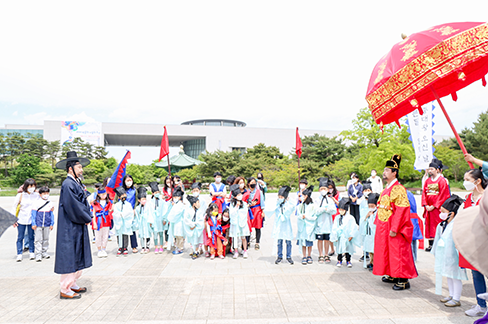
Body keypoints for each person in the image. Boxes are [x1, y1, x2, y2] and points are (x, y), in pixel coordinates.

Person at [373, 154, 417, 290]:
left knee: (399, 251)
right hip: (384, 224)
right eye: (384, 170)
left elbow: (402, 209)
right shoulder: (387, 188)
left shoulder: (398, 188)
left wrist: (395, 227)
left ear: (394, 173)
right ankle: (392, 273)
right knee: (387, 251)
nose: (384, 172)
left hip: (393, 225)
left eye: (387, 170)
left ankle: (403, 279)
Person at [54, 151, 92, 299]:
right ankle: (65, 288)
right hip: (70, 226)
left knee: (77, 253)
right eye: (79, 167)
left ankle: (72, 283)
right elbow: (74, 206)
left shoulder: (75, 182)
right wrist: (87, 216)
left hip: (77, 224)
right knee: (69, 254)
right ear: (71, 169)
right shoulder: (68, 183)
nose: (81, 170)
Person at [452, 181, 488, 322]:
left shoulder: (484, 197)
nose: (465, 181)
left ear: (478, 181)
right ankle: (481, 305)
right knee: (476, 272)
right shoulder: (468, 198)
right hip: (475, 242)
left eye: (468, 178)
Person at [431, 195, 467, 307]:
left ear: (451, 213)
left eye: (443, 211)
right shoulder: (443, 225)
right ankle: (451, 295)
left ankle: (456, 298)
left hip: (454, 256)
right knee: (448, 275)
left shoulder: (456, 225)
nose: (440, 214)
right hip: (446, 255)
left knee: (456, 277)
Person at [421, 158, 451, 252]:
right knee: (429, 225)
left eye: (432, 169)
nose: (430, 171)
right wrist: (426, 205)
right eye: (429, 169)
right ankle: (430, 244)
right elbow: (424, 193)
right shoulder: (427, 181)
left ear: (437, 170)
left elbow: (443, 194)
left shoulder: (442, 181)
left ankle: (438, 243)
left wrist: (434, 205)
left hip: (437, 207)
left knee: (437, 225)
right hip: (429, 207)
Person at [12, 178, 39, 261]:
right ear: (26, 186)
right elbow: (14, 207)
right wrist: (13, 220)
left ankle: (31, 252)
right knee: (20, 237)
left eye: (34, 186)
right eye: (31, 186)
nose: (32, 188)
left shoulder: (36, 195)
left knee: (31, 236)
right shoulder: (20, 195)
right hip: (21, 219)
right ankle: (19, 253)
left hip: (32, 220)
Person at [331, 198, 358, 268]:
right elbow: (334, 226)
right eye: (340, 209)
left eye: (342, 210)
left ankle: (348, 260)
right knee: (339, 249)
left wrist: (351, 235)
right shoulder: (337, 217)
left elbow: (353, 227)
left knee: (348, 249)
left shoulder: (350, 218)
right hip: (340, 236)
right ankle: (339, 260)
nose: (341, 211)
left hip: (347, 236)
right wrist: (335, 235)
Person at [314, 177, 337, 264]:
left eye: (324, 189)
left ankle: (326, 254)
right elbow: (315, 211)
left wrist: (328, 210)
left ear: (328, 190)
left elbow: (334, 210)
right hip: (320, 223)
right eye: (321, 189)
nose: (323, 190)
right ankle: (320, 254)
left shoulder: (330, 200)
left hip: (328, 223)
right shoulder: (317, 200)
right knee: (320, 240)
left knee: (327, 240)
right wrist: (323, 209)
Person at [30, 186, 55, 262]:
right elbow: (33, 214)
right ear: (40, 194)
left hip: (47, 224)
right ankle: (38, 254)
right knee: (38, 239)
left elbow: (51, 214)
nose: (46, 195)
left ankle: (44, 252)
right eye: (44, 193)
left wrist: (52, 223)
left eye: (47, 193)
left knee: (46, 239)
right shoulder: (36, 203)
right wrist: (33, 223)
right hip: (38, 224)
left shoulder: (50, 203)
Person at [272, 186, 295, 265]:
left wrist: (289, 200)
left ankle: (289, 256)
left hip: (286, 224)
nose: (280, 198)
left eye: (281, 197)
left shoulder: (289, 204)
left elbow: (292, 207)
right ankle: (279, 256)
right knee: (279, 241)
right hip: (279, 225)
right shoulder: (277, 204)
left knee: (288, 241)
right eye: (279, 196)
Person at [296, 185, 317, 265]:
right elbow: (298, 215)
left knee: (309, 242)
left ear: (306, 196)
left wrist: (307, 217)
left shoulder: (313, 206)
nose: (302, 197)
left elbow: (314, 217)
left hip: (309, 227)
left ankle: (309, 255)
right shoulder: (300, 206)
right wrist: (302, 217)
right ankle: (304, 256)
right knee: (303, 242)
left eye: (303, 196)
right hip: (302, 227)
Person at [228, 184, 250, 259]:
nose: (240, 196)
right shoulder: (232, 204)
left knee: (243, 237)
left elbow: (245, 211)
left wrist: (240, 211)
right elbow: (232, 213)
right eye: (238, 195)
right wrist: (236, 207)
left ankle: (245, 250)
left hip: (242, 222)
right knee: (235, 237)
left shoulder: (244, 203)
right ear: (234, 196)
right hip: (235, 223)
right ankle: (236, 251)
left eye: (240, 194)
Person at [91, 186, 113, 258]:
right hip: (98, 220)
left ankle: (104, 249)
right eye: (102, 194)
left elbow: (110, 210)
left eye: (105, 194)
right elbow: (93, 213)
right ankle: (99, 250)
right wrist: (93, 222)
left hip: (106, 220)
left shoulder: (108, 202)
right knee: (98, 236)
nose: (104, 195)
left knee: (105, 236)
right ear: (98, 194)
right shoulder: (95, 203)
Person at [112, 186, 134, 256]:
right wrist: (119, 215)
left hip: (125, 222)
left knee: (125, 235)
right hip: (119, 222)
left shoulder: (128, 204)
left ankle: (125, 247)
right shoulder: (117, 205)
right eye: (122, 195)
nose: (123, 197)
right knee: (119, 235)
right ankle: (120, 247)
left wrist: (124, 214)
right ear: (118, 197)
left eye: (124, 195)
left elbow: (130, 212)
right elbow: (115, 213)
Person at [184, 195, 204, 259]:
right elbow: (186, 220)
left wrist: (195, 225)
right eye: (198, 202)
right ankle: (194, 251)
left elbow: (201, 220)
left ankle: (196, 251)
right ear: (194, 204)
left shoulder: (199, 211)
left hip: (197, 228)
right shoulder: (188, 211)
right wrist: (192, 225)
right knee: (193, 241)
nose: (199, 204)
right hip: (192, 228)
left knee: (197, 240)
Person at [122, 175, 139, 253]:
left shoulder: (134, 190)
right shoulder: (121, 190)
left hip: (132, 212)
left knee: (132, 230)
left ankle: (134, 246)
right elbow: (116, 200)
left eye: (130, 180)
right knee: (123, 230)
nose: (129, 182)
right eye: (127, 180)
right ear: (124, 181)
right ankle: (124, 247)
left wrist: (135, 208)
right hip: (123, 212)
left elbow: (136, 200)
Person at [248, 177, 265, 250]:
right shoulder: (247, 192)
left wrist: (263, 212)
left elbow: (262, 202)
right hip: (249, 210)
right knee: (248, 227)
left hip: (257, 210)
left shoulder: (259, 192)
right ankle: (247, 241)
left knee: (258, 227)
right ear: (248, 184)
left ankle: (257, 242)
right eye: (251, 183)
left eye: (254, 183)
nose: (253, 184)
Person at [148, 182, 166, 254]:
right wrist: (150, 221)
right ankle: (156, 247)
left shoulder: (162, 201)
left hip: (160, 219)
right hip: (154, 220)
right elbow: (149, 212)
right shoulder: (150, 202)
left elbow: (165, 210)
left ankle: (161, 246)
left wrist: (164, 219)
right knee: (155, 234)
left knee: (161, 234)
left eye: (158, 192)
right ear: (152, 193)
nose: (157, 193)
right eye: (155, 192)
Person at [167, 186, 186, 255]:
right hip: (175, 223)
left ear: (179, 197)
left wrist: (171, 218)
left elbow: (176, 214)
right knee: (176, 236)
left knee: (180, 236)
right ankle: (177, 247)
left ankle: (180, 248)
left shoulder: (180, 205)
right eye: (174, 197)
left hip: (179, 222)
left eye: (176, 197)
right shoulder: (176, 204)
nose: (174, 198)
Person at [134, 187, 153, 254]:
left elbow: (150, 213)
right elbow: (137, 215)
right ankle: (142, 247)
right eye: (142, 199)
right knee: (141, 235)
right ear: (139, 200)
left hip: (147, 222)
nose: (144, 201)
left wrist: (150, 222)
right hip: (141, 223)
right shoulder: (138, 208)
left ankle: (147, 247)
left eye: (145, 199)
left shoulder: (148, 206)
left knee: (147, 235)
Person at [363, 193, 379, 270]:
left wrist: (372, 216)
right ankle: (371, 261)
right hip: (369, 234)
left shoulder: (378, 213)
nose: (371, 208)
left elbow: (375, 224)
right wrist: (367, 217)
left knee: (375, 249)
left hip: (375, 233)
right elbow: (364, 222)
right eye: (369, 206)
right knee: (369, 249)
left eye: (372, 206)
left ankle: (375, 263)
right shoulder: (368, 212)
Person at [407, 190, 424, 262]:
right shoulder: (409, 193)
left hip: (408, 218)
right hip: (413, 218)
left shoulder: (402, 193)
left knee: (409, 241)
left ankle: (412, 260)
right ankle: (414, 259)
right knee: (413, 240)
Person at [358, 181, 372, 262]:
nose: (367, 192)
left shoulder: (374, 201)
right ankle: (365, 253)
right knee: (365, 239)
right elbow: (361, 214)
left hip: (372, 223)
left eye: (368, 190)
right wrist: (366, 216)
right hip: (364, 223)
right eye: (365, 190)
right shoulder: (362, 202)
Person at [327, 179, 340, 256]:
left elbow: (340, 204)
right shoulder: (325, 195)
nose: (329, 189)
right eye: (328, 187)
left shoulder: (337, 194)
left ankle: (339, 248)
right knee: (330, 233)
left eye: (331, 187)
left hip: (336, 214)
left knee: (337, 232)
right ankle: (332, 249)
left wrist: (333, 199)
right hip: (329, 215)